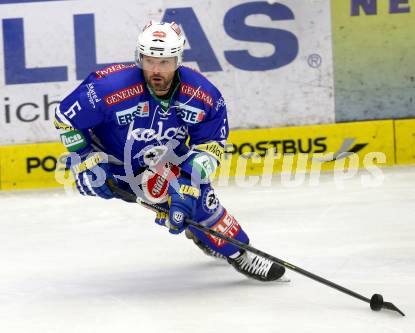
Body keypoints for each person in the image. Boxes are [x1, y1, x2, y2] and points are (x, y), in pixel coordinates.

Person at [54, 20, 285, 282]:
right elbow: (64, 117)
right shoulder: (110, 89)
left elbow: (210, 146)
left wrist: (188, 183)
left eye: (164, 62)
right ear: (139, 57)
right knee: (166, 200)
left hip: (168, 162)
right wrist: (84, 160)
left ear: (178, 60)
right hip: (113, 164)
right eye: (150, 61)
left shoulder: (202, 95)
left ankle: (240, 252)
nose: (156, 70)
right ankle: (202, 231)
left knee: (200, 203)